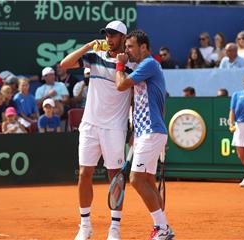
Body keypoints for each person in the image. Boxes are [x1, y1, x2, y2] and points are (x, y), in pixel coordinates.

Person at [60, 20, 136, 240]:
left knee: (115, 178)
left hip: (115, 128)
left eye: (113, 35)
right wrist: (87, 46)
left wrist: (133, 130)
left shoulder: (131, 66)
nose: (108, 38)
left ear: (123, 38)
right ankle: (85, 226)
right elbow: (65, 64)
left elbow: (133, 100)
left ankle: (115, 228)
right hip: (90, 125)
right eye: (106, 34)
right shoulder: (94, 57)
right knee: (84, 174)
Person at [115, 29, 174, 240]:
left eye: (130, 47)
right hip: (145, 133)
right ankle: (163, 226)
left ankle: (163, 227)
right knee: (147, 180)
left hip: (151, 132)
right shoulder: (144, 67)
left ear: (143, 47)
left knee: (136, 179)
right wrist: (136, 132)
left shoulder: (149, 64)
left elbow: (121, 85)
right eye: (126, 47)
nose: (127, 50)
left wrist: (119, 65)